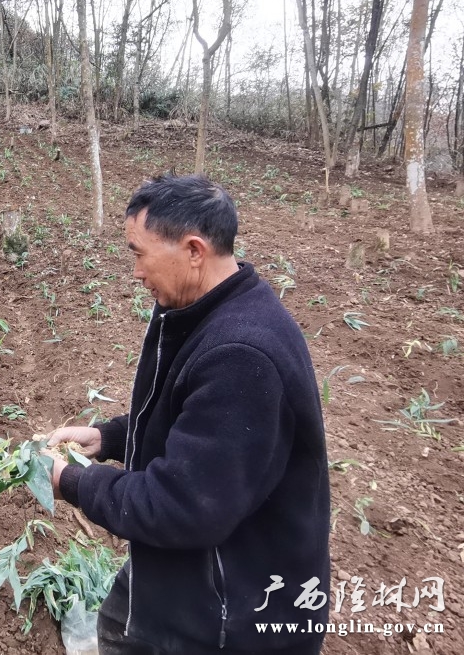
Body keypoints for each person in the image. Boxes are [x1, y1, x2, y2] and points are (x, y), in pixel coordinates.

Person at [45, 174, 330, 655]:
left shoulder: (241, 355)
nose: (135, 272)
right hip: (194, 574)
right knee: (117, 622)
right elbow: (195, 421)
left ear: (194, 250)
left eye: (140, 254)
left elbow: (182, 505)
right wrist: (110, 438)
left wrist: (71, 481)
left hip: (232, 616)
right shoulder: (206, 308)